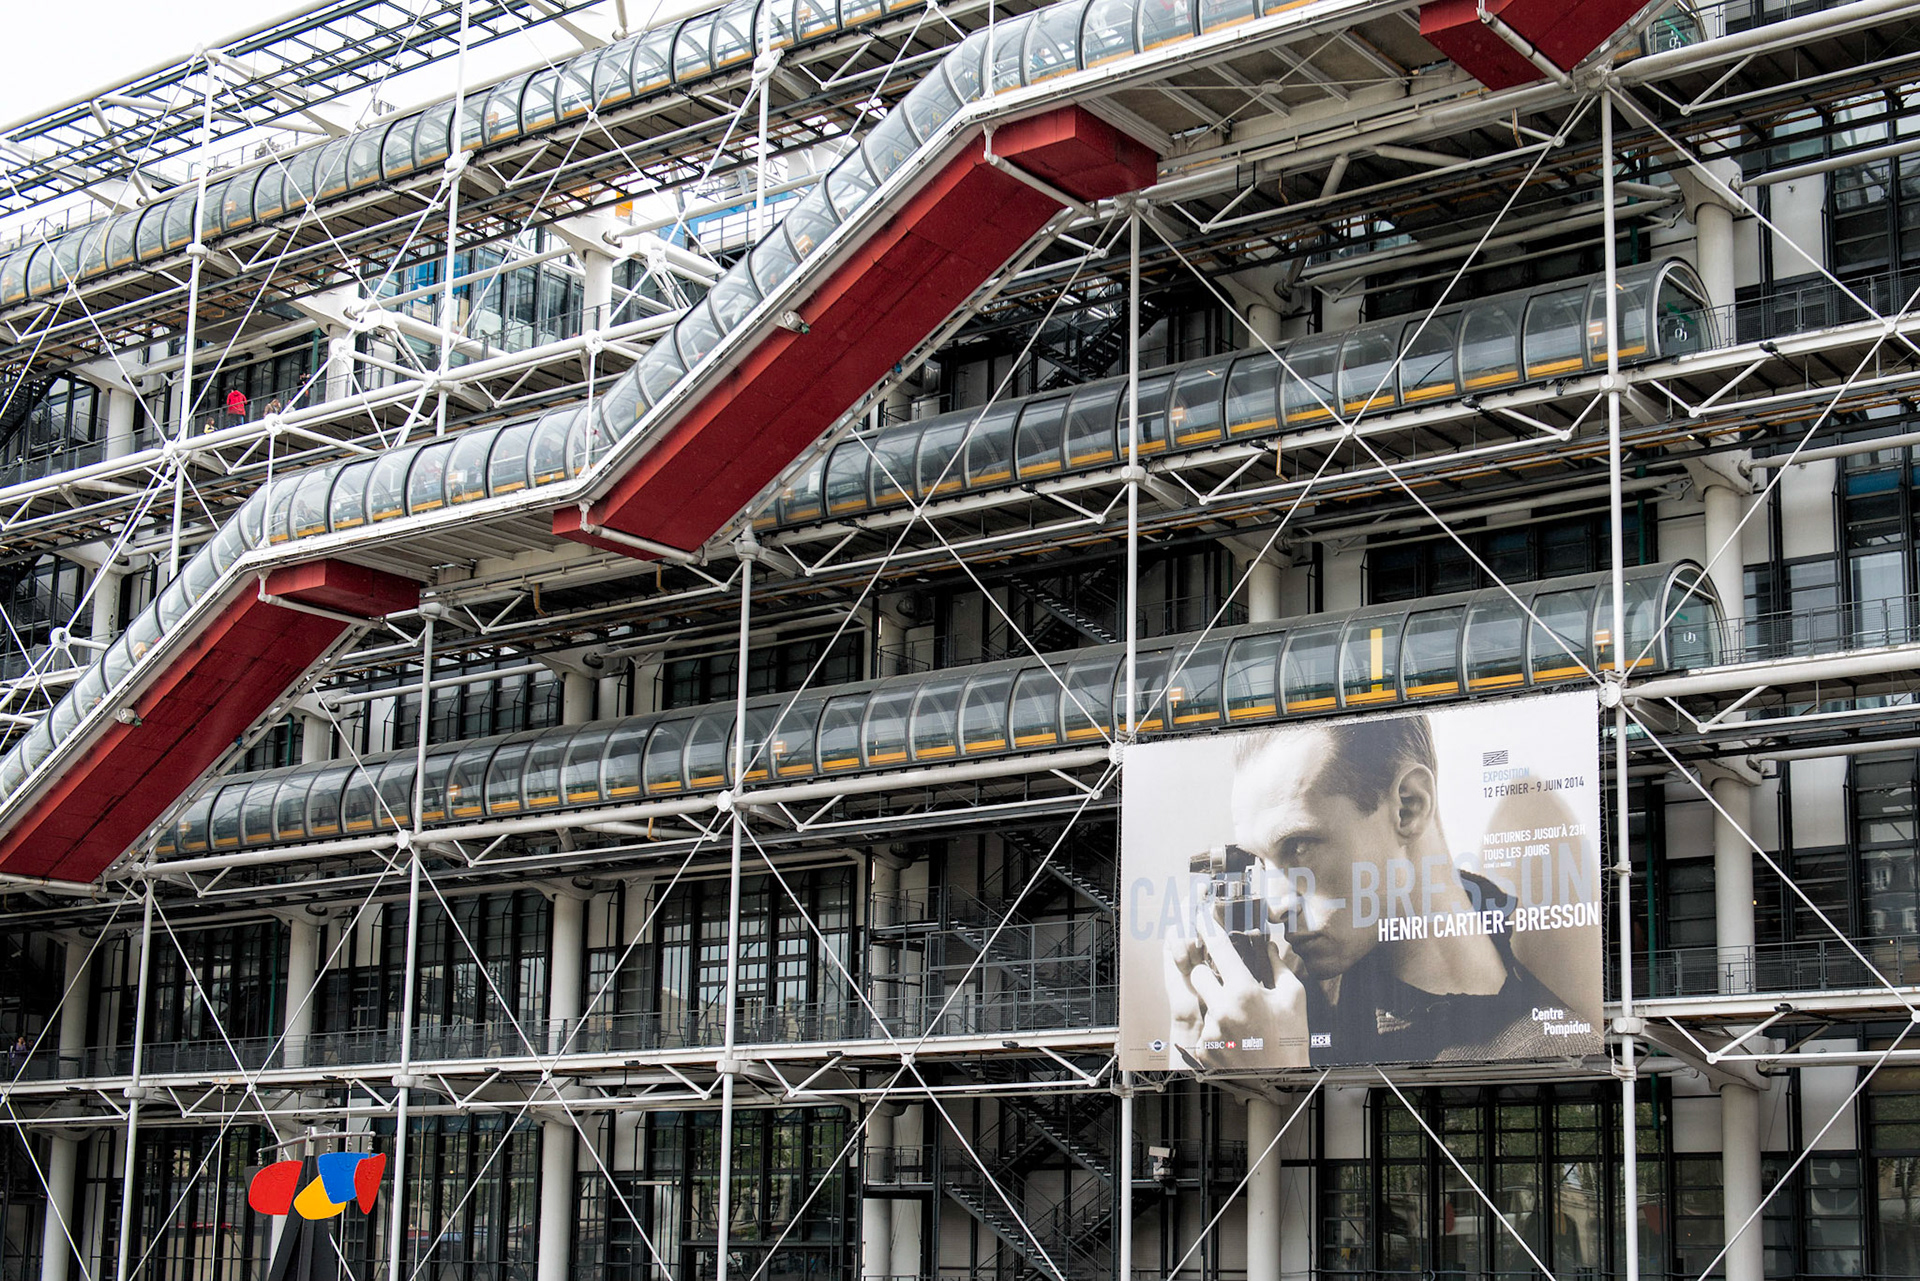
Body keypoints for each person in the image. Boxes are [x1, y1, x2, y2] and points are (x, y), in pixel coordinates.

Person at [1163, 714, 1580, 1069]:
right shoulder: (1287, 990)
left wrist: (1283, 1077)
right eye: (1260, 860)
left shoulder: (1553, 1050)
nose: (1274, 907)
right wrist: (1187, 1024)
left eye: (1298, 846)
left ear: (1408, 806)